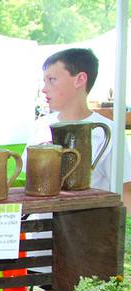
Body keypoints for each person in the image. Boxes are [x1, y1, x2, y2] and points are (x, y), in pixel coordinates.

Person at [25, 48, 130, 194]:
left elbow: (125, 191)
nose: (44, 89)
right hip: (39, 215)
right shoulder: (40, 126)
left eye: (52, 80)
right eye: (44, 81)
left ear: (80, 80)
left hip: (85, 215)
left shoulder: (109, 132)